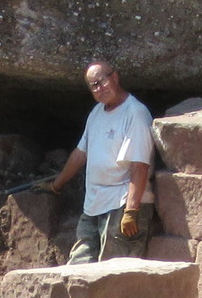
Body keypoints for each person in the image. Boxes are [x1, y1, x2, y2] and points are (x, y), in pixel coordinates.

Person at [47, 60, 155, 263]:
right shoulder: (97, 112)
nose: (99, 88)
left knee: (114, 272)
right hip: (94, 205)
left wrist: (131, 211)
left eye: (101, 81)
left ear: (115, 77)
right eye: (93, 86)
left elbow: (139, 166)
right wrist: (55, 185)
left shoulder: (135, 113)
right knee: (79, 266)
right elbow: (80, 153)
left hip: (121, 204)